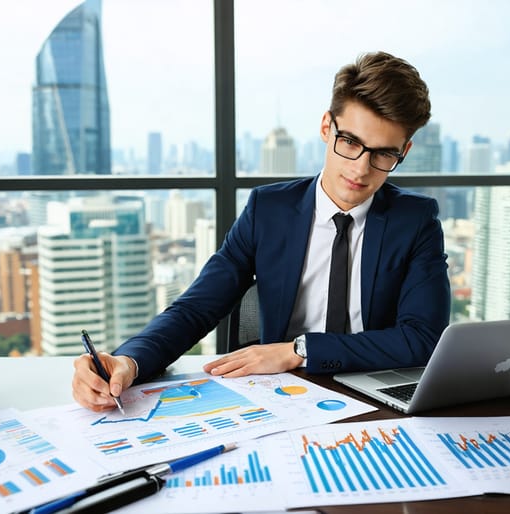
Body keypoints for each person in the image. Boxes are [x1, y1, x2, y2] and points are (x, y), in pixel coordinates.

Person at [72, 51, 450, 412]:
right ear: (326, 127)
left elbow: (423, 337)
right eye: (349, 142)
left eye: (383, 154)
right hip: (281, 395)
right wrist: (129, 361)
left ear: (404, 151)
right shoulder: (268, 210)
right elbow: (197, 308)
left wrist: (299, 350)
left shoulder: (415, 220)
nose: (360, 168)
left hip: (377, 398)